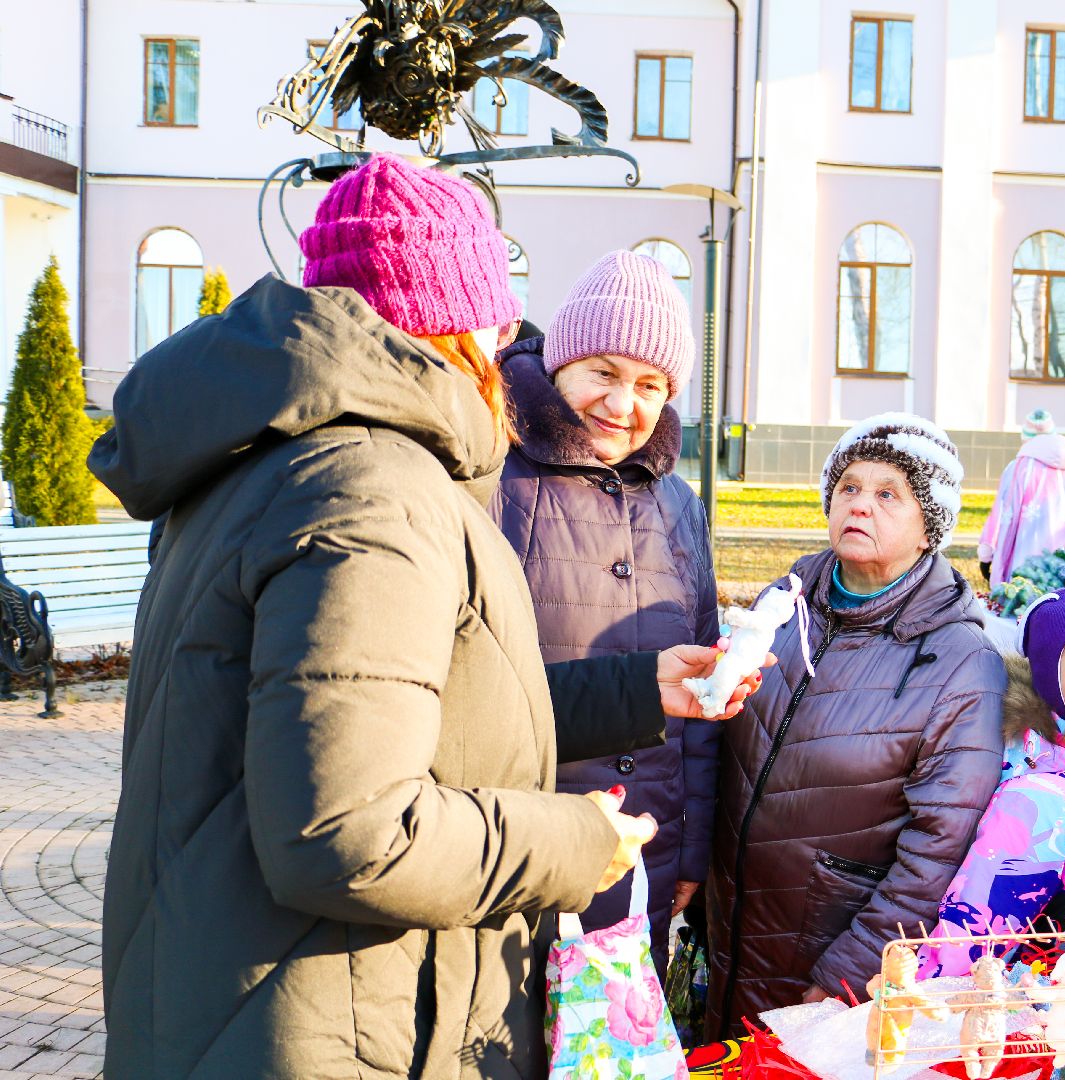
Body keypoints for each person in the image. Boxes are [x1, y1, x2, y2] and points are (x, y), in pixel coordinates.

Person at [88, 155, 762, 1078]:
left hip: (241, 985)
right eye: (495, 318)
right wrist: (575, 841)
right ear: (454, 322)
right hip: (324, 1015)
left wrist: (635, 688)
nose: (502, 345)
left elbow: (412, 712)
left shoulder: (274, 457)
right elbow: (352, 832)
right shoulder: (372, 490)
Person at [705, 413, 1007, 1039]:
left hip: (828, 945)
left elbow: (938, 845)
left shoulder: (960, 661)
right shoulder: (785, 601)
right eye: (848, 487)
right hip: (729, 918)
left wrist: (852, 972)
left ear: (932, 527)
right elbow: (718, 733)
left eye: (888, 494)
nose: (860, 505)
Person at [494, 249, 719, 979]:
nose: (625, 405)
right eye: (604, 373)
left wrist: (691, 844)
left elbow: (704, 690)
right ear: (560, 366)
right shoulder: (497, 478)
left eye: (651, 384)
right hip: (516, 847)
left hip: (641, 852)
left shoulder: (679, 506)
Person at [922, 589, 1065, 978]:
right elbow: (977, 932)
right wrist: (927, 1002)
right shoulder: (1039, 799)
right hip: (1057, 1007)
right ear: (1051, 682)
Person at [977, 409, 1065, 589]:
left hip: (1024, 569)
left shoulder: (1018, 469)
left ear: (1026, 439)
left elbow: (1003, 513)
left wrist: (987, 554)